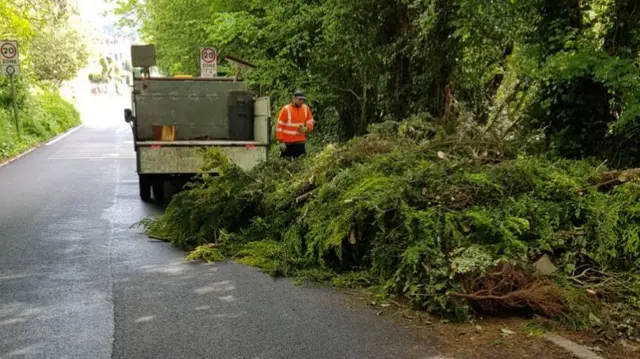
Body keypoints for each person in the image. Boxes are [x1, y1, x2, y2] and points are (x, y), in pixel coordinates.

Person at [276, 90, 314, 158]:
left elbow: (310, 121)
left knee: (301, 165)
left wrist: (307, 128)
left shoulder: (306, 108)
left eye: (303, 100)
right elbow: (279, 126)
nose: (301, 101)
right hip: (287, 144)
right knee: (286, 165)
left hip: (300, 143)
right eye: (299, 99)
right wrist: (281, 141)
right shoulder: (286, 109)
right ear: (293, 98)